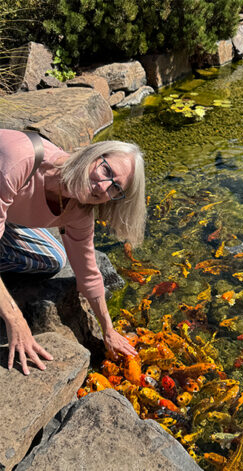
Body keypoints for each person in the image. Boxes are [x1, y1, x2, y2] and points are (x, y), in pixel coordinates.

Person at [0, 129, 147, 375]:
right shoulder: (21, 161)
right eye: (106, 171)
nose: (103, 188)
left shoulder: (78, 210)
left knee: (54, 259)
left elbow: (88, 272)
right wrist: (15, 319)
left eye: (115, 189)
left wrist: (108, 330)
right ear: (92, 155)